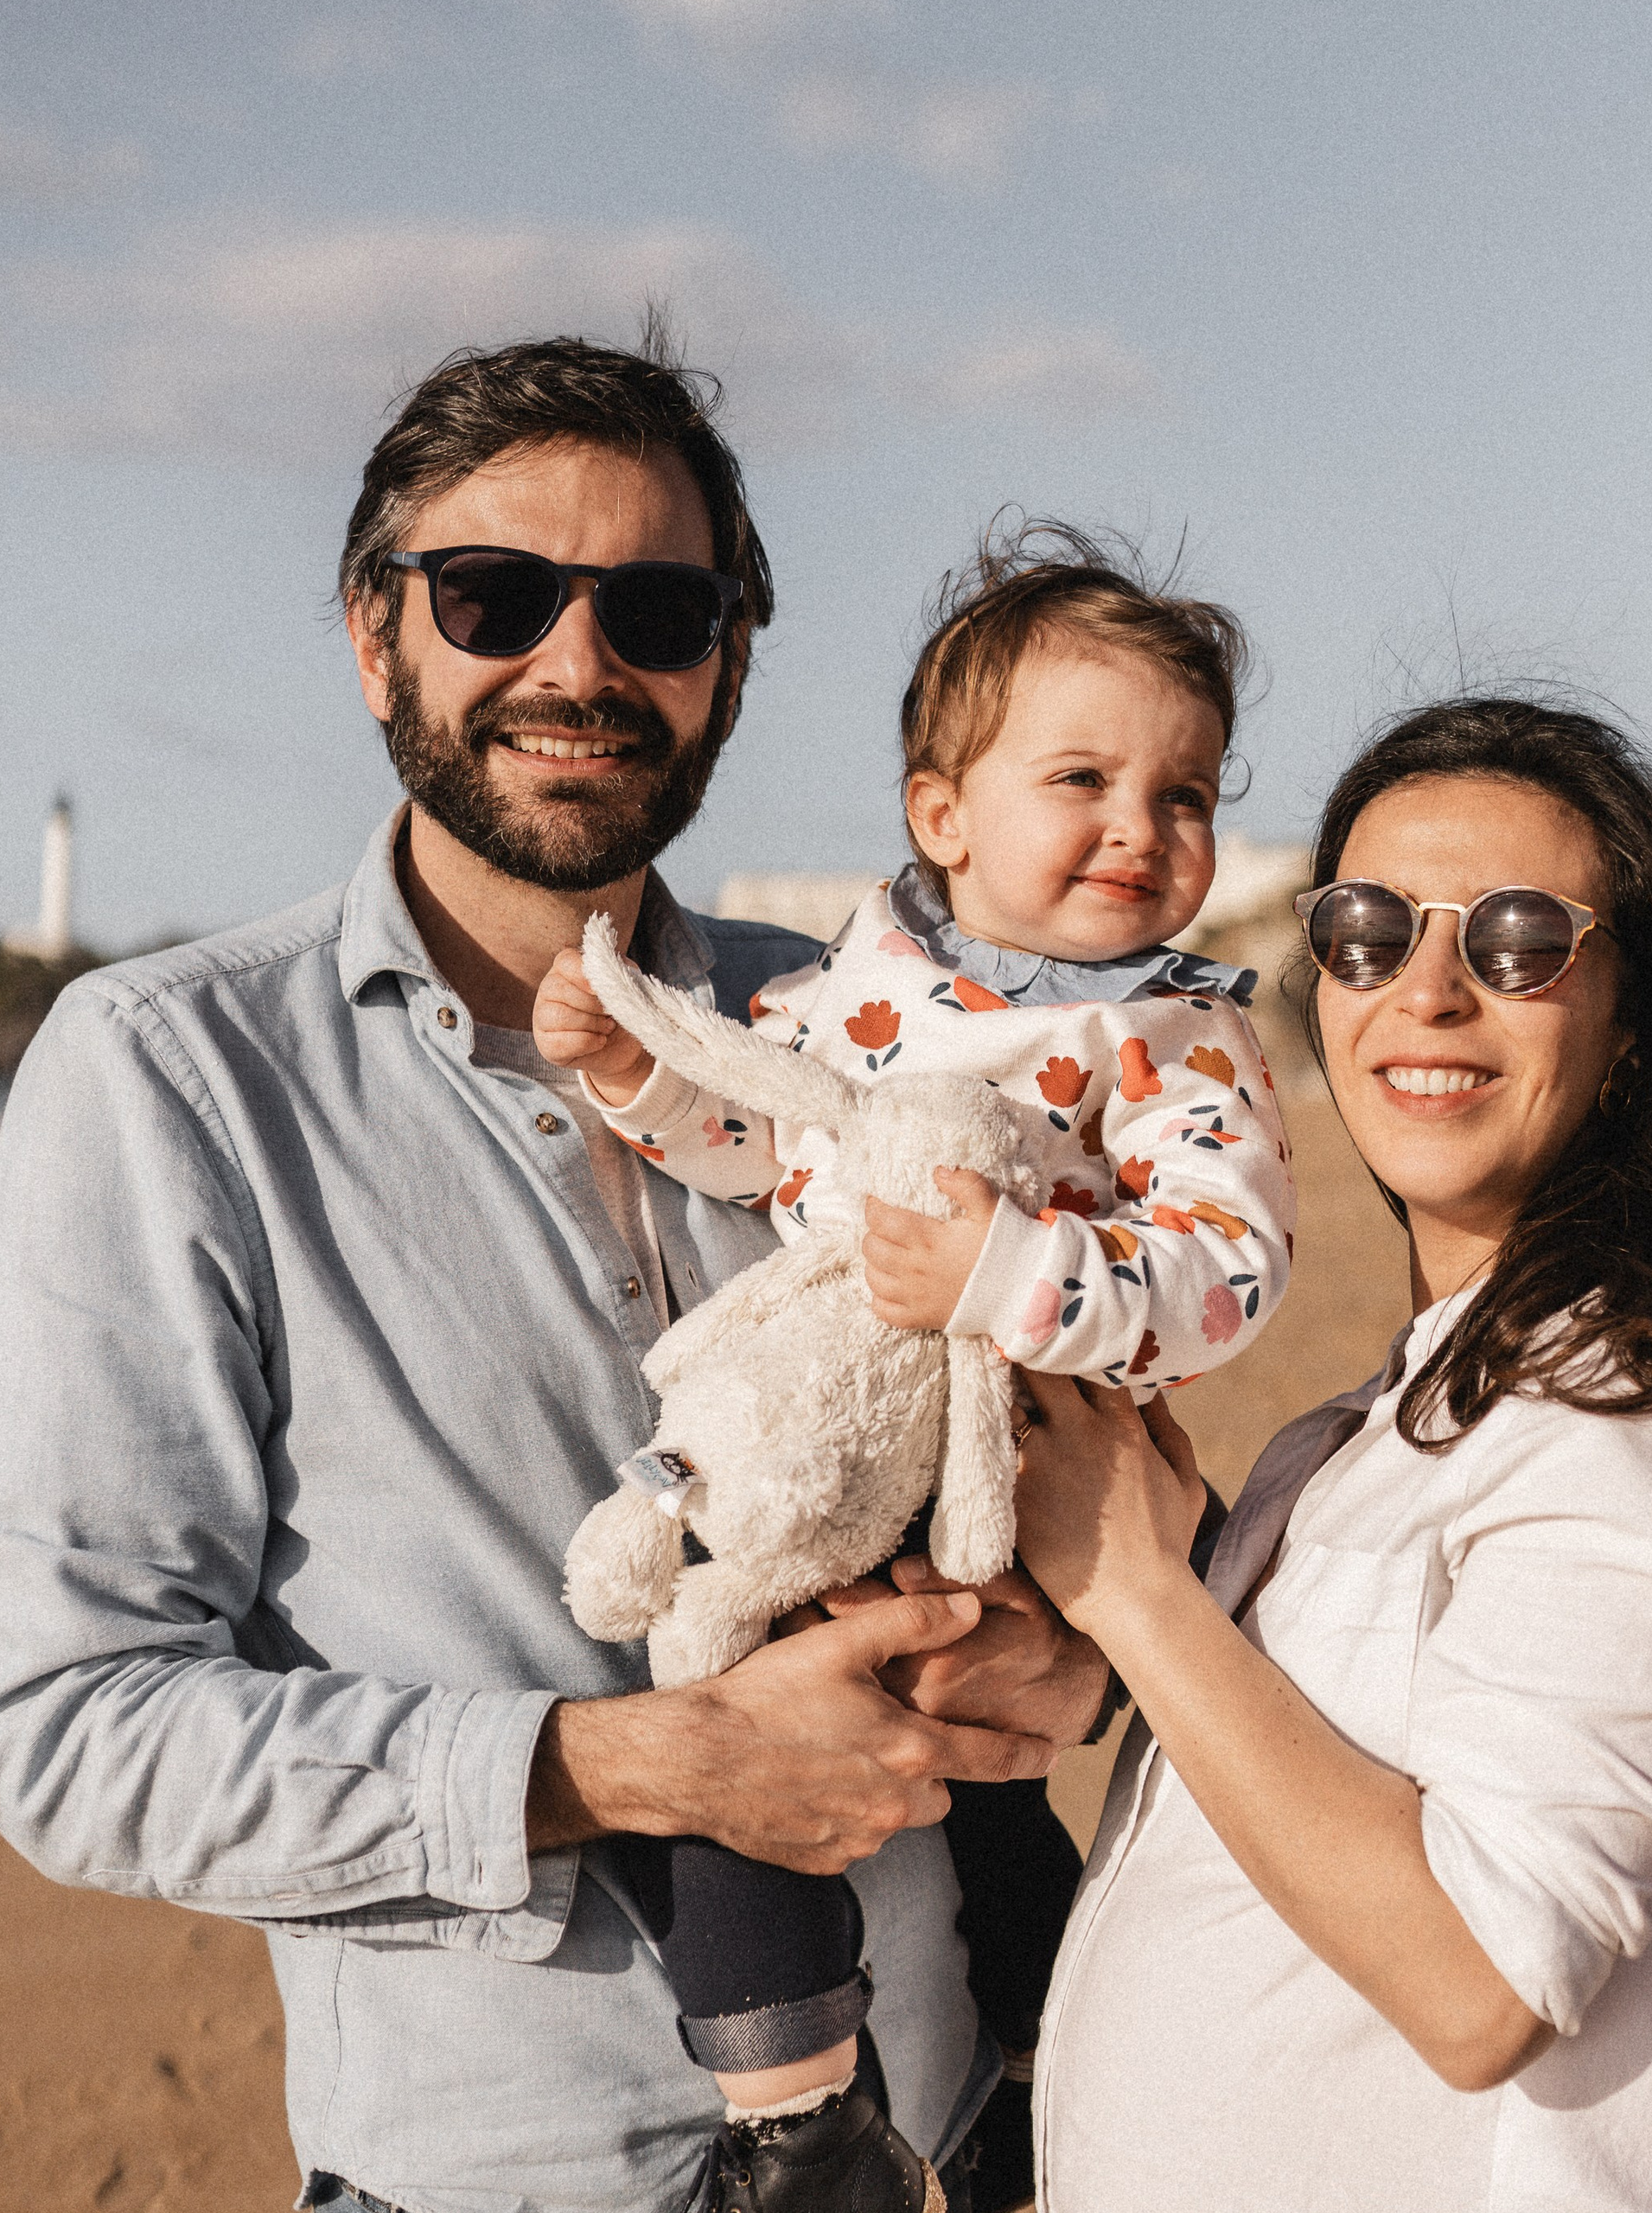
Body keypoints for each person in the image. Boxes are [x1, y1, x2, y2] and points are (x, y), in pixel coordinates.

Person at [0, 332, 1109, 2213]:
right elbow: (76, 1733)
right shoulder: (168, 1074)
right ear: (373, 632)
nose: (576, 663)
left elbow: (1083, 1445)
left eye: (654, 606)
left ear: (726, 659)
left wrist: (1069, 1660)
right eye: (494, 595)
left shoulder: (874, 1028)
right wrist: (639, 1764)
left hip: (987, 2135)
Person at [1011, 697, 1652, 2211]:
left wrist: (1140, 1597)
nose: (1427, 991)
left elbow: (1483, 1980)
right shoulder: (1418, 1401)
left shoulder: (1636, 1410)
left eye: (1519, 940)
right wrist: (1113, 1653)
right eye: (1366, 929)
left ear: (1634, 1020)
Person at [533, 529, 1295, 2203]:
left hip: (1014, 1461)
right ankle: (800, 2121)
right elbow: (764, 1138)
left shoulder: (1174, 1036)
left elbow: (1226, 1272)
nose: (1139, 829)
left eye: (1186, 795)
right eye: (1082, 778)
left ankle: (1033, 2077)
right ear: (943, 815)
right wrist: (633, 1088)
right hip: (839, 1441)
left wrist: (1018, 1272)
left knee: (991, 1799)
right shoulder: (860, 986)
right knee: (737, 1744)